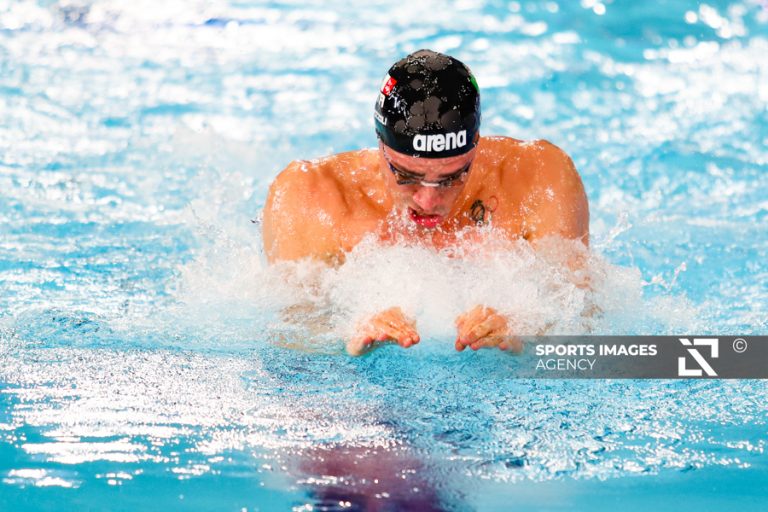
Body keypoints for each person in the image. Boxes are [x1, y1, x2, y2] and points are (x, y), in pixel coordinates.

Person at [262, 49, 589, 356]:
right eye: (406, 176)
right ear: (380, 144)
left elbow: (587, 317)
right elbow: (288, 335)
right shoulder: (311, 197)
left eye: (453, 177)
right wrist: (348, 331)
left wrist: (529, 331)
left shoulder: (540, 179)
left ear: (476, 145)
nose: (428, 200)